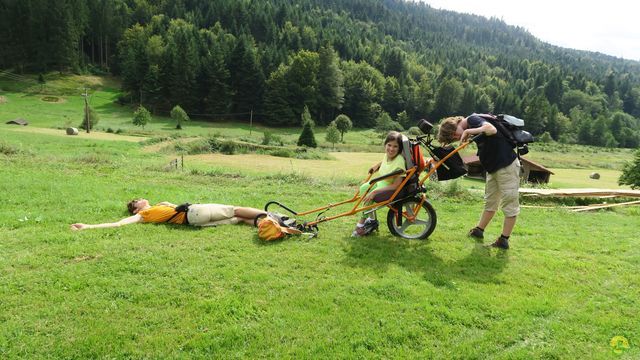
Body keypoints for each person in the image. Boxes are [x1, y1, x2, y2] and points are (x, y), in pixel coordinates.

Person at [437, 114, 521, 249]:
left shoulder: (472, 119)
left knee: (509, 202)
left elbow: (491, 129)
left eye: (454, 135)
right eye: (453, 138)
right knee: (490, 201)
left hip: (506, 166)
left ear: (455, 126)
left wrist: (467, 131)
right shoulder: (472, 125)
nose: (456, 138)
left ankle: (504, 240)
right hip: (494, 168)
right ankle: (479, 230)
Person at [70, 199, 267, 231]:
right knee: (236, 210)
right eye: (137, 200)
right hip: (195, 211)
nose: (141, 198)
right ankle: (271, 214)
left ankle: (271, 226)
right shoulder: (144, 215)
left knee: (240, 219)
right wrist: (88, 226)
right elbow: (119, 224)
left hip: (194, 223)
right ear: (136, 209)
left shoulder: (158, 207)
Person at [352, 131, 406, 237]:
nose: (391, 149)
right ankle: (371, 219)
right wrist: (377, 165)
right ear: (385, 145)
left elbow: (396, 185)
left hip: (388, 187)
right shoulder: (387, 155)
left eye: (395, 146)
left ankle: (360, 224)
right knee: (363, 188)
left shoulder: (399, 161)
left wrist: (374, 192)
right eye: (389, 145)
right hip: (380, 182)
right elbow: (385, 162)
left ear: (399, 148)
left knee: (370, 196)